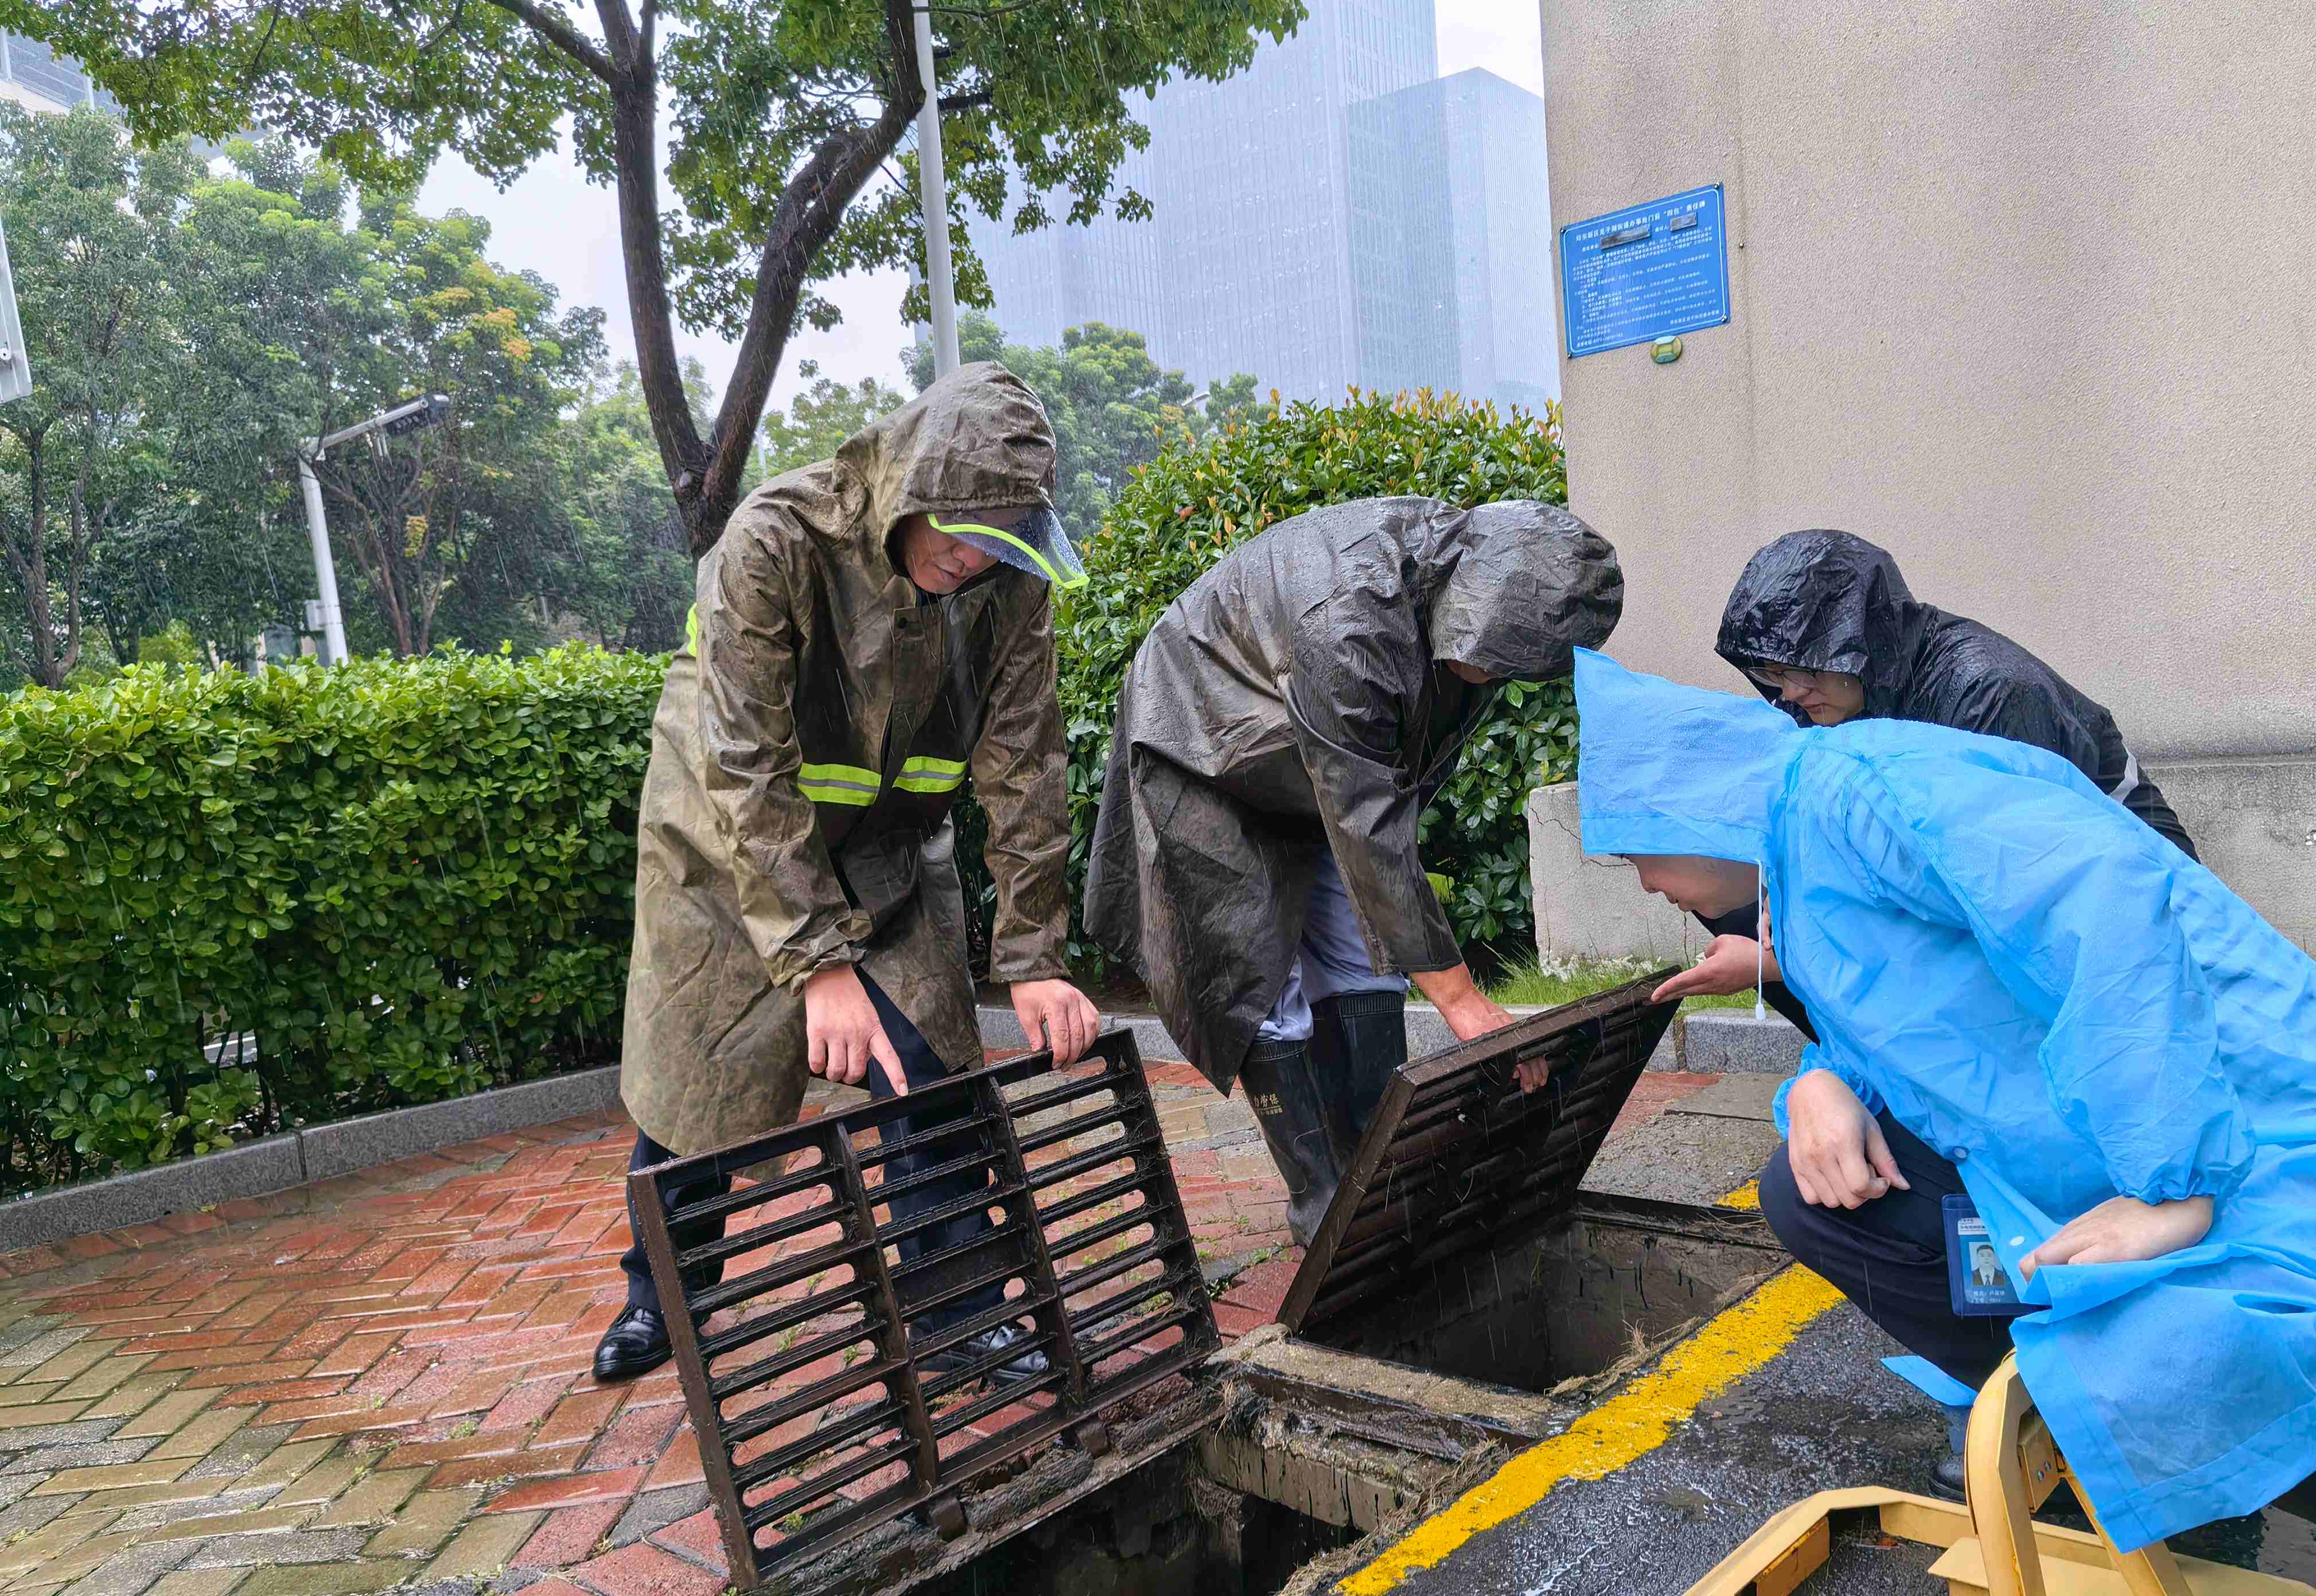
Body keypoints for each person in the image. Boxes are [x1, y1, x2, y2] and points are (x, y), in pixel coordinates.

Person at [1575, 649, 2316, 1551]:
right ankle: (2088, 1436)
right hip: (2108, 1126)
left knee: (2219, 1335)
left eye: (1636, 851)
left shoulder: (1858, 791)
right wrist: (1822, 1086)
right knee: (1807, 1189)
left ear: (1688, 808)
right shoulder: (1796, 854)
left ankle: (2191, 1456)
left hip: (2244, 1110)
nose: (1645, 885)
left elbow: (2100, 901)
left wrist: (2173, 1188)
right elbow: (1900, 1015)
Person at [595, 363, 1101, 1385]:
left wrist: (1036, 957)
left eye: (1003, 544)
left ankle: (958, 1315)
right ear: (909, 490)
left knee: (930, 1067)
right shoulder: (775, 542)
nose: (975, 561)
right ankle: (663, 1298)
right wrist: (818, 966)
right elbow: (744, 762)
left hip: (883, 850)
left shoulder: (1008, 594)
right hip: (724, 843)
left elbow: (1024, 768)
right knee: (702, 1076)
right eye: (962, 533)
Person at [1084, 497, 1623, 1245]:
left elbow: (1386, 802)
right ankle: (1322, 1198)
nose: (1492, 673)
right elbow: (1367, 819)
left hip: (1309, 766)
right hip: (1203, 743)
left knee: (1363, 955)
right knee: (1254, 966)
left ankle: (1378, 1162)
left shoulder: (1473, 605)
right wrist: (1465, 1004)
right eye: (1491, 654)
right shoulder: (1345, 617)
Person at [1661, 528, 2196, 1013]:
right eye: (1773, 672)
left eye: (1804, 669)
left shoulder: (1989, 693)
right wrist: (1783, 889)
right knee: (1750, 902)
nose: (1791, 692)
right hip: (2019, 894)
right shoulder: (1833, 694)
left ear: (1861, 643)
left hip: (2140, 904)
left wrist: (1784, 963)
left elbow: (2012, 890)